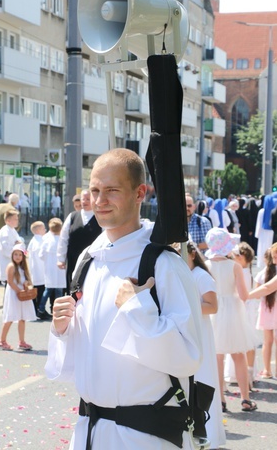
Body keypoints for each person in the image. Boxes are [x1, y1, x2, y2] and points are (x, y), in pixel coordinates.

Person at [46, 148, 203, 450]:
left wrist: (136, 308)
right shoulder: (88, 259)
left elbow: (189, 357)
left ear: (139, 193)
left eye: (111, 190)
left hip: (143, 437)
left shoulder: (163, 265)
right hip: (89, 432)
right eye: (94, 190)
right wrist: (63, 328)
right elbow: (88, 353)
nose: (99, 201)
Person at [204, 228, 257, 412]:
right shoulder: (234, 266)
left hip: (213, 310)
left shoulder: (205, 265)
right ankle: (245, 398)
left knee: (217, 357)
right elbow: (243, 294)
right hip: (233, 311)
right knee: (238, 355)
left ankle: (220, 400)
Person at [186, 242, 226, 449]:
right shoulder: (184, 274)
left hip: (200, 332)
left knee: (202, 380)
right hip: (190, 330)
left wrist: (185, 305)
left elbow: (212, 306)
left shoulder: (202, 276)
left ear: (193, 254)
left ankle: (207, 432)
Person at [227, 242, 260, 389]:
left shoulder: (241, 271)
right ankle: (249, 373)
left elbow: (241, 294)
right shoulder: (246, 271)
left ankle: (246, 375)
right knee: (247, 342)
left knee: (242, 342)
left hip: (243, 309)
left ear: (242, 258)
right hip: (248, 309)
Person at [57, 189, 101, 293]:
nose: (85, 201)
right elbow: (63, 239)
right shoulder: (72, 217)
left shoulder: (100, 217)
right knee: (72, 286)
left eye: (88, 199)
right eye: (83, 199)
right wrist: (60, 258)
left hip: (93, 260)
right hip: (73, 259)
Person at [0, 244, 36, 351]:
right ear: (12, 255)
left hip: (22, 294)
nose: (17, 257)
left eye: (20, 255)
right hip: (14, 294)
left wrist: (27, 284)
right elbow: (10, 281)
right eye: (15, 254)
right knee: (10, 317)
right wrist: (19, 291)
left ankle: (21, 341)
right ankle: (1, 341)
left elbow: (24, 280)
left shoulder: (23, 268)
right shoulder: (11, 266)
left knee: (22, 318)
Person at [250, 245, 277, 378]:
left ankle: (267, 370)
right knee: (270, 341)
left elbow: (261, 289)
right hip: (270, 308)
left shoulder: (263, 272)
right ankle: (269, 369)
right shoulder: (266, 272)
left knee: (268, 341)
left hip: (267, 308)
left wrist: (247, 296)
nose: (274, 258)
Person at [37, 218, 65, 320]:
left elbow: (41, 255)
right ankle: (58, 311)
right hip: (60, 270)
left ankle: (40, 309)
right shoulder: (63, 241)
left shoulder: (46, 240)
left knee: (47, 290)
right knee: (59, 292)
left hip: (49, 270)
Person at [0, 193, 20, 284]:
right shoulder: (13, 210)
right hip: (7, 236)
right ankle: (3, 277)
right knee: (3, 258)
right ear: (15, 202)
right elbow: (16, 226)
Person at [0, 210, 23, 286]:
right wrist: (16, 246)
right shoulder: (4, 232)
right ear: (8, 220)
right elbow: (5, 250)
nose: (17, 221)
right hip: (7, 263)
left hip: (13, 264)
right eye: (15, 219)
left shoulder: (12, 230)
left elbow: (19, 242)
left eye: (17, 219)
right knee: (8, 287)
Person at [27, 221, 47, 313]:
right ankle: (38, 310)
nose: (45, 230)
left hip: (35, 270)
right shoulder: (39, 242)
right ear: (38, 230)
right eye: (43, 228)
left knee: (37, 291)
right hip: (40, 271)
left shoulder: (33, 241)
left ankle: (35, 309)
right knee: (39, 292)